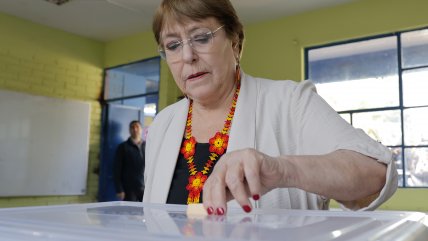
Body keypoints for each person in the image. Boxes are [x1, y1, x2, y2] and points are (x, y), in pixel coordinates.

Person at [143, 0, 398, 215]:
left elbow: (375, 174)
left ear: (235, 42)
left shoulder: (290, 101)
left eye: (201, 37)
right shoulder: (162, 125)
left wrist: (281, 169)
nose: (187, 56)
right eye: (173, 45)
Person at [114, 120, 145, 201]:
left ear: (141, 129)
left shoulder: (148, 146)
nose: (135, 129)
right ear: (129, 130)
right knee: (130, 213)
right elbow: (117, 170)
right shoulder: (123, 147)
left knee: (147, 211)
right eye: (132, 127)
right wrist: (119, 189)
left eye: (137, 127)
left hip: (145, 188)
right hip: (129, 189)